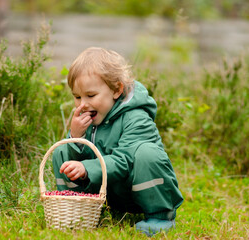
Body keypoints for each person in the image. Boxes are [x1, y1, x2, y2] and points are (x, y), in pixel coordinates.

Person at [52, 47, 183, 236]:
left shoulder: (136, 117)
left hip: (135, 193)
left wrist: (88, 168)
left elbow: (125, 161)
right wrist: (76, 137)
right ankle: (78, 209)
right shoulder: (87, 119)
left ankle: (160, 217)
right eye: (77, 96)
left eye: (90, 95)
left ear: (116, 90)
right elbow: (72, 154)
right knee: (62, 150)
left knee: (147, 152)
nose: (82, 104)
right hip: (108, 195)